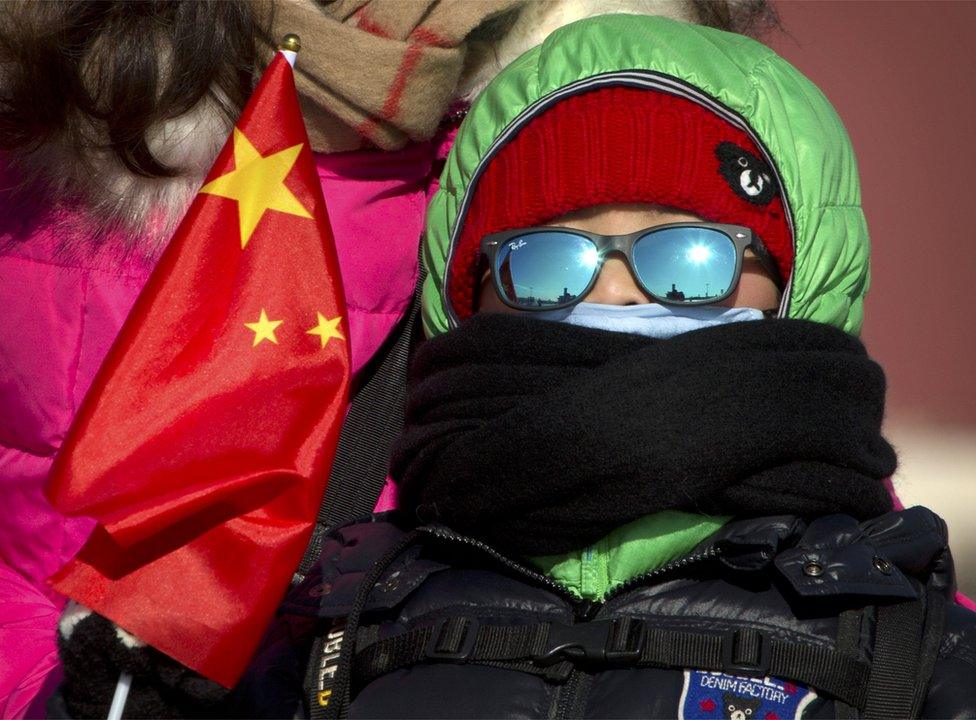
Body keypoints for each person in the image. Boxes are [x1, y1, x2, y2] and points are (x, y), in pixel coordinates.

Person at [218, 13, 976, 720]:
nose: (613, 292)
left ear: (796, 277)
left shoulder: (909, 644)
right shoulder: (337, 624)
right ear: (470, 293)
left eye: (685, 253)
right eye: (548, 260)